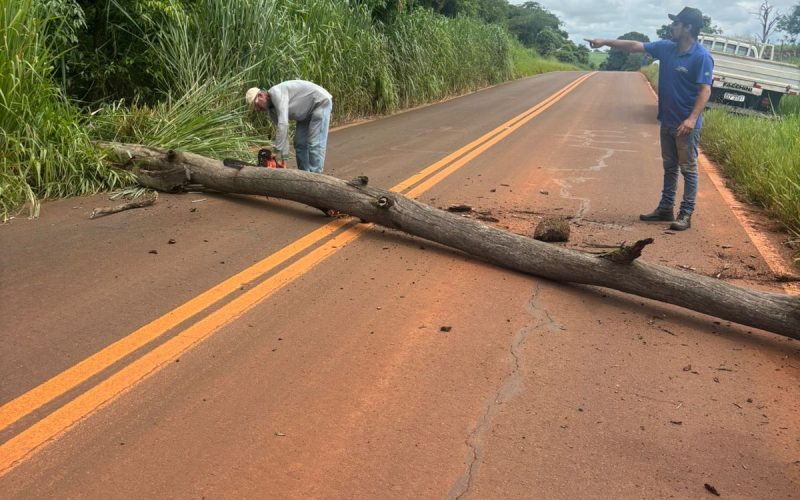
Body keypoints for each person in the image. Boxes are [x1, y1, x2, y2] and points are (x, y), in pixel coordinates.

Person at [586, 7, 713, 231]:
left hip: (686, 126)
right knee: (670, 167)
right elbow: (635, 46)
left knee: (688, 169)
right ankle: (665, 208)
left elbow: (705, 91)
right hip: (667, 120)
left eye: (676, 23)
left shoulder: (701, 57)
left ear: (688, 27)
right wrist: (605, 41)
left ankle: (686, 213)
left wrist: (692, 119)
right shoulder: (667, 48)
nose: (671, 27)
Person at [245, 80, 333, 174]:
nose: (258, 110)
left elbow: (283, 123)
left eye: (256, 105)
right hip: (305, 114)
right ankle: (305, 175)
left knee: (315, 143)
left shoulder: (276, 92)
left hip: (320, 102)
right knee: (300, 143)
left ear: (260, 95)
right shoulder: (273, 112)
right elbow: (284, 132)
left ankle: (317, 176)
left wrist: (276, 150)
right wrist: (284, 159)